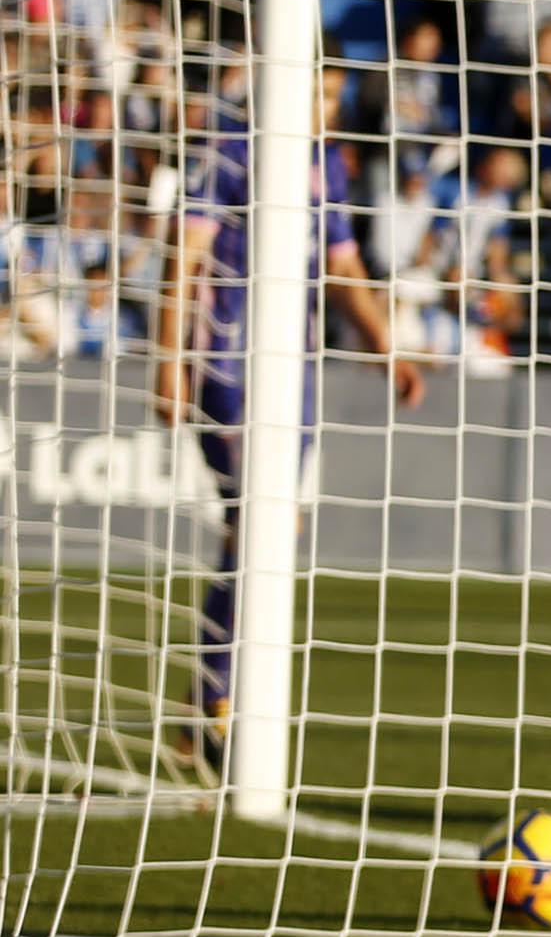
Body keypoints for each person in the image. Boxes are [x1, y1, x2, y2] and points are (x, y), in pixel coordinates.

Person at [153, 69, 423, 765]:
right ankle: (218, 704)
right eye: (312, 92)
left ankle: (207, 699)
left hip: (293, 369)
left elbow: (341, 265)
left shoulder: (324, 160)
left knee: (265, 529)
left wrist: (385, 346)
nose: (321, 108)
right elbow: (185, 255)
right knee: (260, 519)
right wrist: (168, 356)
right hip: (228, 358)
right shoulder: (231, 147)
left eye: (331, 96)